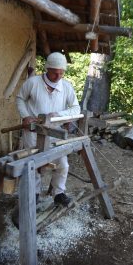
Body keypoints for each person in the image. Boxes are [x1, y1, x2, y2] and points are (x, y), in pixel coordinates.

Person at [16, 52, 80, 207]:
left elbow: (76, 108)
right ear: (47, 69)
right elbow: (20, 98)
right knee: (34, 165)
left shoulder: (66, 87)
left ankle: (59, 193)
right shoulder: (33, 83)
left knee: (62, 164)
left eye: (61, 72)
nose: (58, 76)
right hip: (33, 132)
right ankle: (35, 194)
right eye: (54, 72)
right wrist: (25, 116)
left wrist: (59, 115)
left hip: (54, 133)